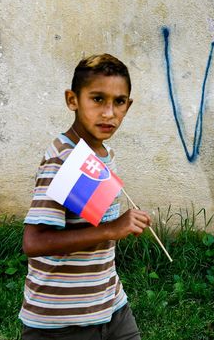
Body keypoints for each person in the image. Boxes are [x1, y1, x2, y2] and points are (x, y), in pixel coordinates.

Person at [19, 54, 151, 340]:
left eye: (119, 102)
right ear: (72, 100)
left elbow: (96, 225)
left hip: (111, 306)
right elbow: (34, 242)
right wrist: (112, 229)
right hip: (62, 320)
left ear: (128, 106)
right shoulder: (64, 158)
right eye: (97, 99)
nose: (108, 113)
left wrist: (123, 223)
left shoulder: (103, 154)